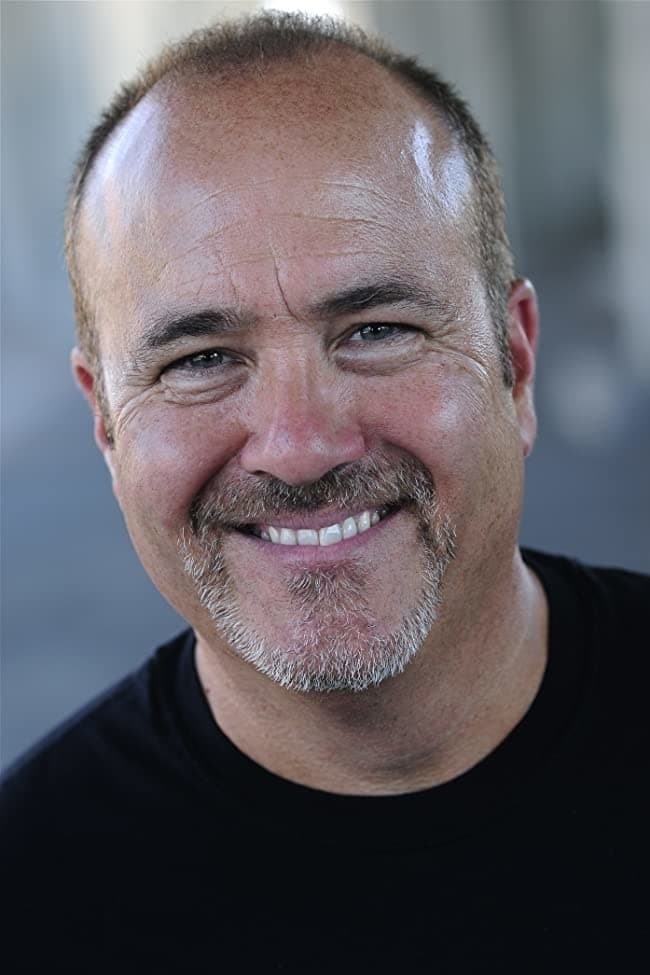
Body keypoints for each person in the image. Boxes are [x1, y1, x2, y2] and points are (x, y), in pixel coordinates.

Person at [1, 11, 648, 973]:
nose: (300, 449)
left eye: (376, 331)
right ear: (106, 422)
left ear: (514, 363)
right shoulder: (27, 901)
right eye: (201, 359)